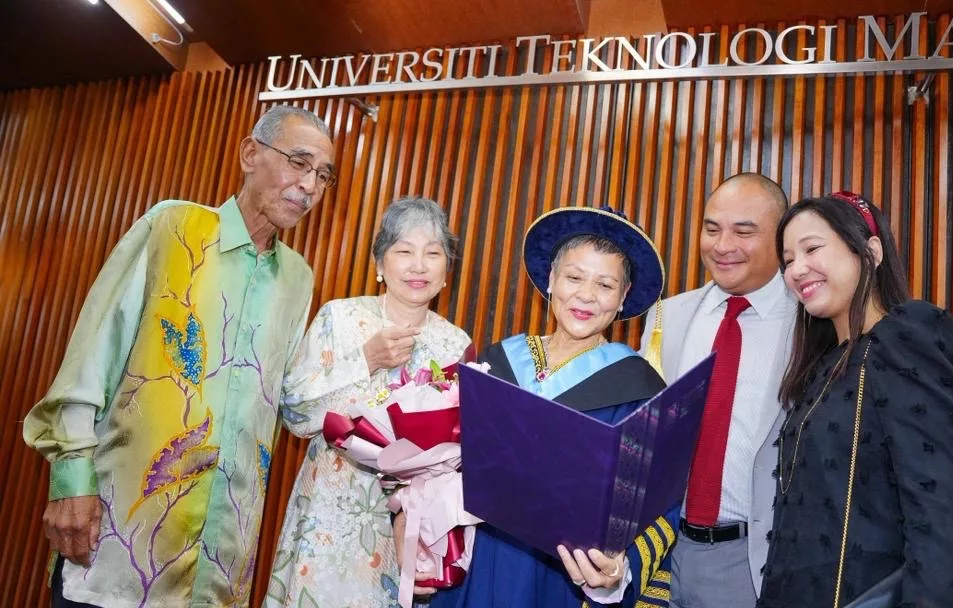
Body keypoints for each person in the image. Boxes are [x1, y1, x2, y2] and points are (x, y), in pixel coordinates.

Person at [22, 105, 335, 608]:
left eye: (323, 174)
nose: (311, 185)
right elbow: (92, 355)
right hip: (120, 539)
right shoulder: (172, 226)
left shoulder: (299, 279)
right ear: (249, 153)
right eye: (299, 162)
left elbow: (283, 398)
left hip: (222, 561)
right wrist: (71, 477)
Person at [430, 206, 678, 608]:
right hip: (475, 560)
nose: (586, 295)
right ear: (551, 280)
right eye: (574, 277)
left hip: (560, 578)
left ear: (623, 298)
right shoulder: (496, 362)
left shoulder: (640, 392)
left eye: (605, 285)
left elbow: (659, 506)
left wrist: (617, 567)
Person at [757, 192, 953, 607]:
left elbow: (935, 517)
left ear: (870, 250)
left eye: (812, 248)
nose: (797, 269)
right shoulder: (823, 366)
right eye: (788, 259)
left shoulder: (904, 341)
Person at [264, 197, 473, 608]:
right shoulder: (339, 319)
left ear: (446, 271)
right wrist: (365, 360)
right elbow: (294, 410)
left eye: (433, 253)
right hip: (331, 505)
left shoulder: (455, 344)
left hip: (412, 522)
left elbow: (458, 454)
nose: (418, 265)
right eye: (404, 251)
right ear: (380, 263)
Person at [639, 173, 796, 608]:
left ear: (781, 239)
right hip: (662, 548)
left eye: (743, 232)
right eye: (712, 229)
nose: (723, 245)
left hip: (753, 559)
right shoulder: (666, 318)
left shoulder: (810, 324)